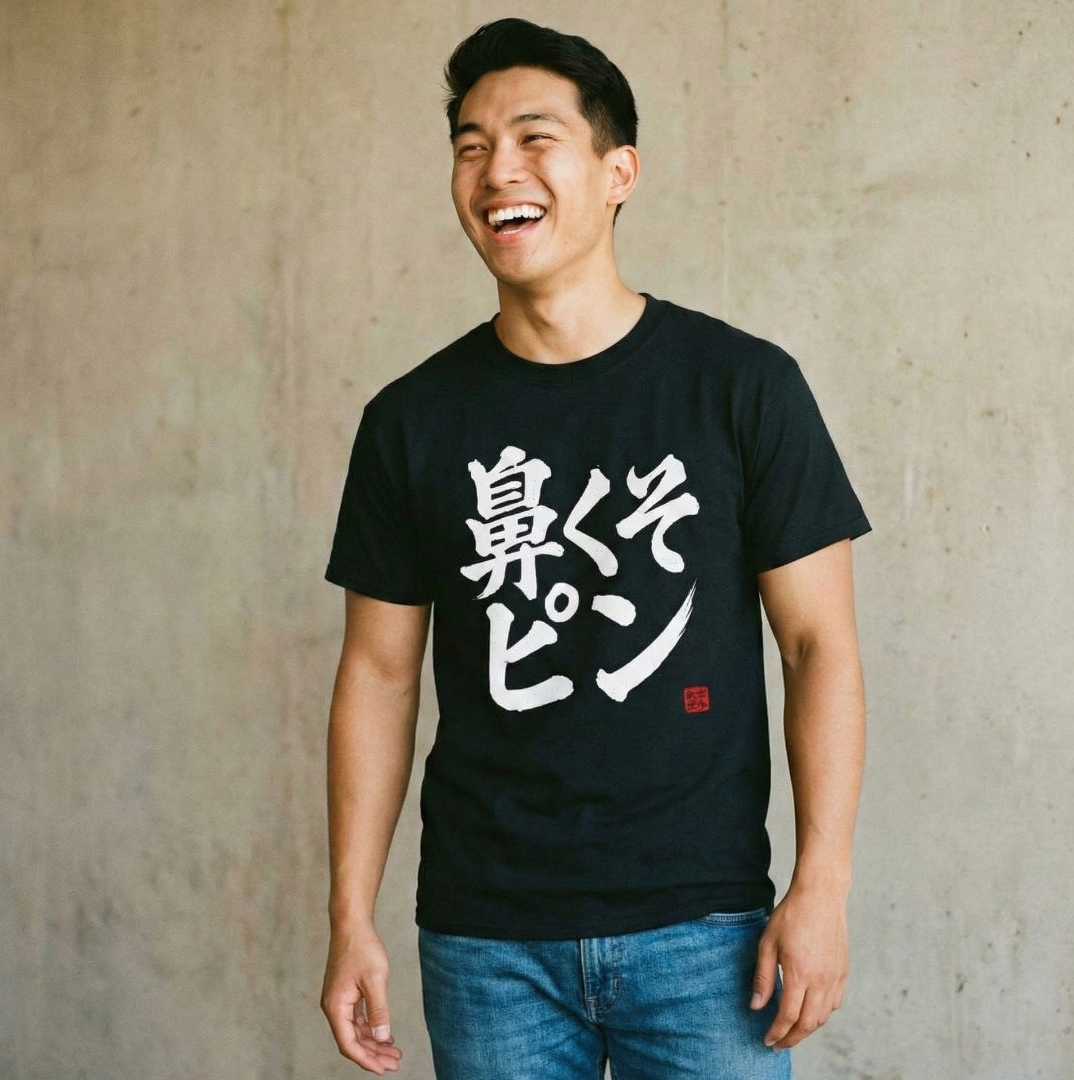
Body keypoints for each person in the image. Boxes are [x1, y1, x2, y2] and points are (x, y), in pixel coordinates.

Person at [320, 17, 869, 1080]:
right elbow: (377, 675)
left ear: (620, 173)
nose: (497, 171)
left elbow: (819, 649)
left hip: (708, 931)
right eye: (471, 147)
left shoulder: (741, 387)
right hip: (486, 941)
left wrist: (823, 887)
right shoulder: (411, 422)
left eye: (535, 138)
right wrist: (350, 915)